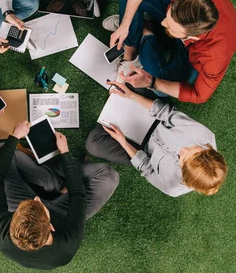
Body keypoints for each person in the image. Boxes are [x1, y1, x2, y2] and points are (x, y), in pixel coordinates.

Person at [0, 121, 119, 270]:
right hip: (64, 213)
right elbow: (78, 194)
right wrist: (64, 152)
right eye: (39, 203)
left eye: (32, 202)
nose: (37, 199)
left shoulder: (0, 231)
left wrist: (15, 136)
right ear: (51, 227)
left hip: (23, 204)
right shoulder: (68, 244)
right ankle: (55, 180)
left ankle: (51, 182)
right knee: (109, 177)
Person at [102, 0, 236, 103]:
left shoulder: (215, 57)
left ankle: (145, 28)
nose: (163, 23)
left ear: (192, 37)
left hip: (192, 55)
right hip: (185, 23)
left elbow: (199, 95)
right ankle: (130, 50)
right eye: (168, 17)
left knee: (161, 91)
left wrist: (152, 82)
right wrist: (125, 25)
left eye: (170, 26)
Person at [86, 80, 227, 197]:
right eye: (193, 148)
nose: (183, 150)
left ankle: (115, 117)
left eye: (182, 159)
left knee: (93, 144)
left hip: (142, 149)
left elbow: (146, 167)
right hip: (155, 119)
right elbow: (165, 113)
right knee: (130, 83)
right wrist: (131, 96)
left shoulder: (173, 187)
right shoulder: (205, 136)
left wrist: (123, 142)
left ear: (184, 176)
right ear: (207, 148)